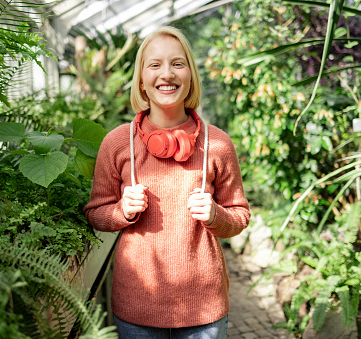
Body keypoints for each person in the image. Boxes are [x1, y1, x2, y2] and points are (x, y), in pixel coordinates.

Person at [84, 26, 250, 338]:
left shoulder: (218, 144)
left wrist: (217, 215)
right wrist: (121, 210)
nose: (167, 74)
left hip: (204, 311)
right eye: (155, 64)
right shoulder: (118, 143)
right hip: (136, 310)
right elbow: (95, 212)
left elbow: (240, 216)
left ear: (191, 75)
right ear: (142, 80)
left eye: (177, 63)